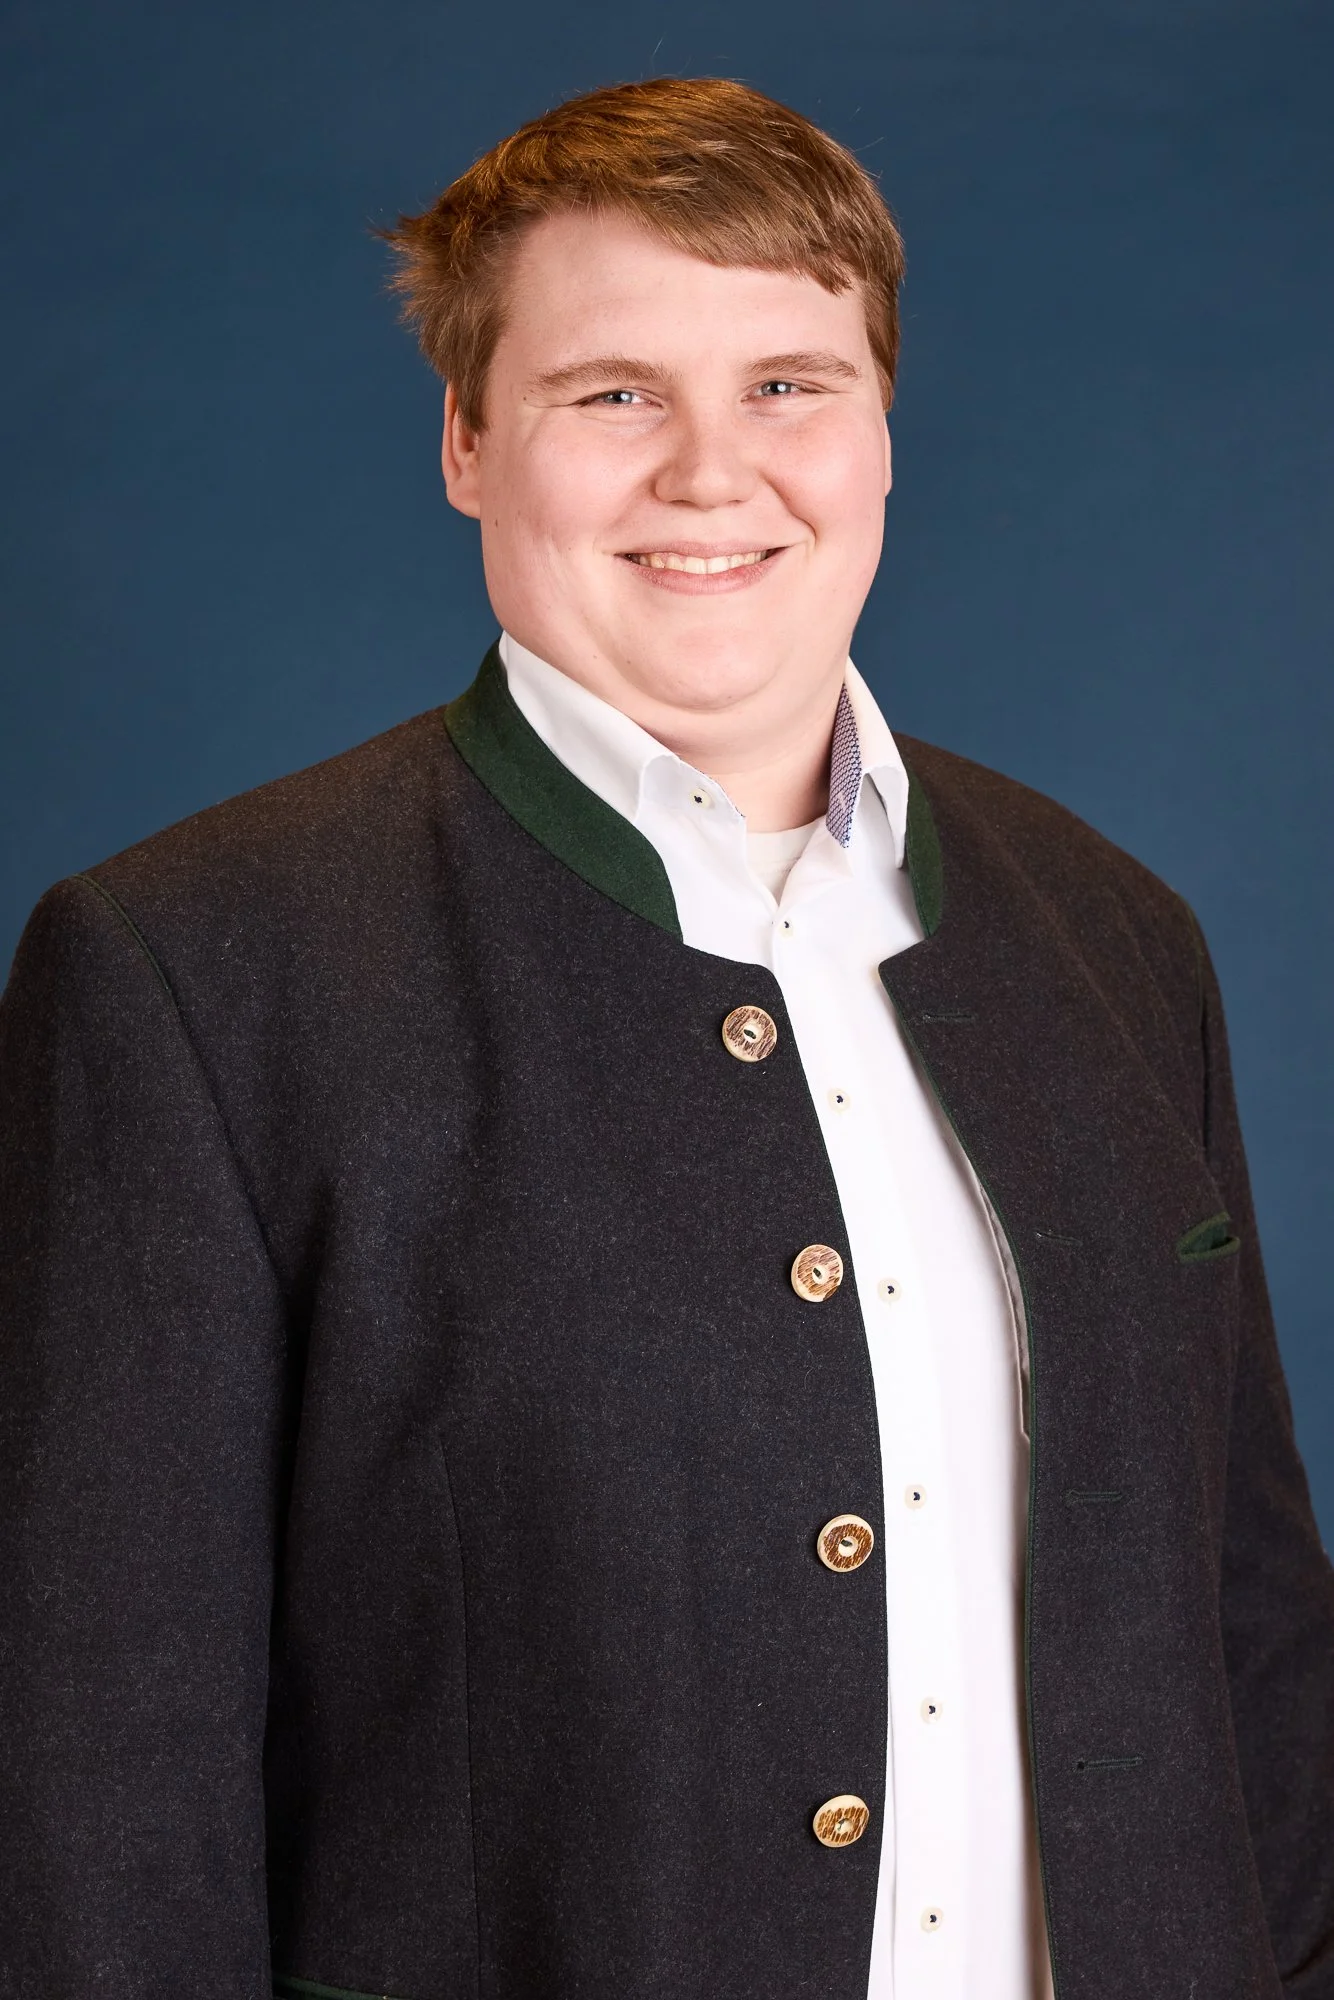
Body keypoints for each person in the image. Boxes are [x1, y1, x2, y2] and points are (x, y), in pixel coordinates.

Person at [0, 74, 1330, 2000]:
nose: (714, 472)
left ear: (881, 433)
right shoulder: (191, 973)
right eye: (612, 393)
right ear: (467, 442)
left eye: (789, 384)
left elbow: (1254, 1645)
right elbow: (99, 1793)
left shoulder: (1117, 932)